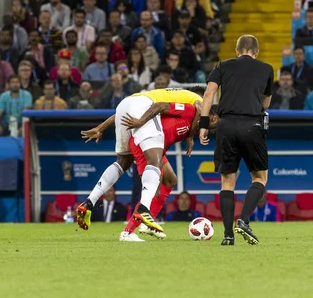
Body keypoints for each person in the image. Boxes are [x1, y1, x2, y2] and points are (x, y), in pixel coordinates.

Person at [76, 87, 208, 233]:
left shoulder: (177, 97)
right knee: (155, 163)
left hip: (125, 105)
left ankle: (89, 203)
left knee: (122, 163)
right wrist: (141, 122)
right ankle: (144, 210)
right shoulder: (199, 100)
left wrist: (101, 127)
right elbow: (201, 112)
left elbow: (128, 111)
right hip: (143, 108)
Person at [199, 35, 273, 246]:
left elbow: (209, 94)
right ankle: (244, 220)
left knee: (227, 182)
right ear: (256, 53)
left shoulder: (222, 65)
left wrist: (204, 124)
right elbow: (265, 102)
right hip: (252, 125)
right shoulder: (266, 68)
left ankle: (228, 235)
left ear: (236, 50)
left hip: (226, 125)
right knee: (259, 178)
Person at [119, 101, 218, 241]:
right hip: (145, 144)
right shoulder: (188, 109)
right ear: (214, 117)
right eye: (216, 124)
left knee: (170, 179)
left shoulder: (195, 127)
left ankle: (147, 223)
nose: (214, 129)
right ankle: (127, 232)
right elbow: (161, 106)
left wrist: (190, 138)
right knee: (155, 191)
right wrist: (141, 121)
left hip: (157, 148)